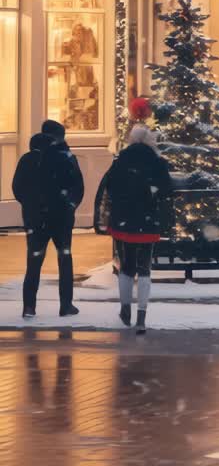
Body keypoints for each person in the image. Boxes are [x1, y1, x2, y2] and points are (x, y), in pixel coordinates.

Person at [94, 124, 173, 334]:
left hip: (124, 219)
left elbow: (110, 187)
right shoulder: (157, 161)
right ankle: (142, 316)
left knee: (127, 266)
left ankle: (125, 310)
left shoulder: (121, 160)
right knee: (145, 268)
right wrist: (151, 193)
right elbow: (166, 189)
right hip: (147, 221)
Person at [12, 119, 84, 319]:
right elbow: (77, 186)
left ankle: (29, 306)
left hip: (36, 218)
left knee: (34, 260)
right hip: (61, 217)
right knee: (65, 258)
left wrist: (31, 205)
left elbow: (18, 188)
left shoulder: (28, 160)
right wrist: (69, 205)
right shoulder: (65, 158)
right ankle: (66, 305)